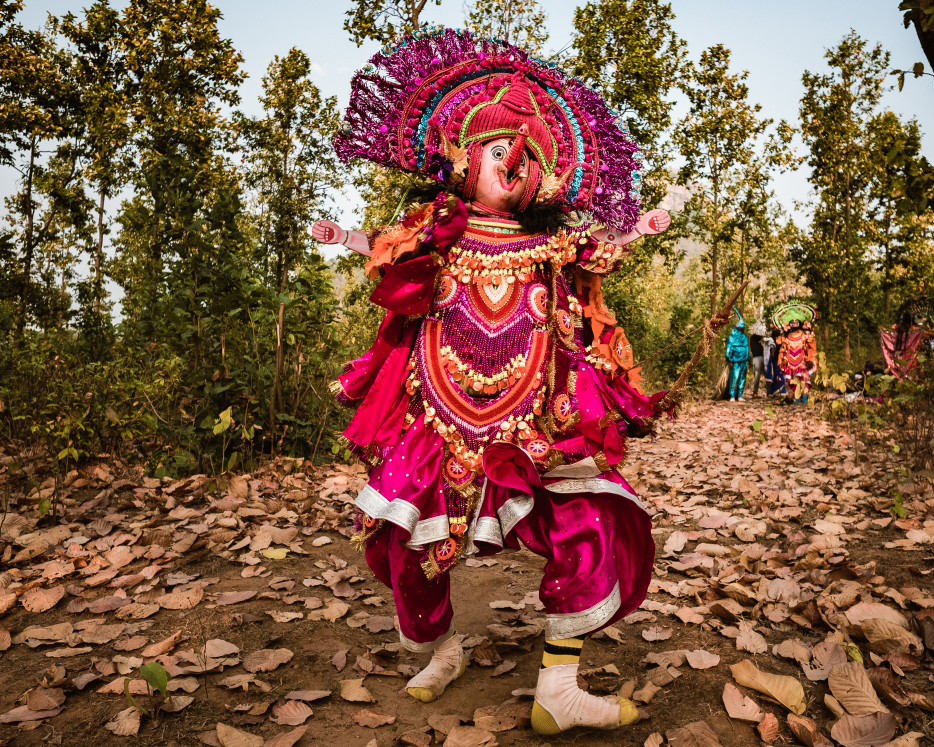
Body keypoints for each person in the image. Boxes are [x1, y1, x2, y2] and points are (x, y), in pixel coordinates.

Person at [315, 27, 678, 735]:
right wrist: (350, 239)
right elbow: (391, 253)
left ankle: (559, 683)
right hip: (439, 420)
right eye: (497, 149)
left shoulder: (551, 244)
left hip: (529, 422)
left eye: (529, 157)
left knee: (591, 515)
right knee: (407, 543)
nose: (514, 163)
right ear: (461, 159)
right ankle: (442, 646)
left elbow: (603, 248)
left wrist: (645, 227)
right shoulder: (437, 231)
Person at [725, 309, 751, 401]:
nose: (742, 330)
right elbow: (729, 349)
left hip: (743, 361)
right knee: (734, 378)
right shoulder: (732, 337)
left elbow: (746, 348)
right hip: (735, 362)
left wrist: (748, 359)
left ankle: (740, 395)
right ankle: (732, 395)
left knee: (742, 379)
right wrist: (729, 360)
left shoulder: (743, 337)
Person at [748, 326, 765, 398]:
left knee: (768, 375)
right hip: (756, 358)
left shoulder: (762, 339)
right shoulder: (753, 338)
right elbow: (757, 337)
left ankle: (770, 392)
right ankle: (755, 392)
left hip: (763, 358)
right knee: (757, 376)